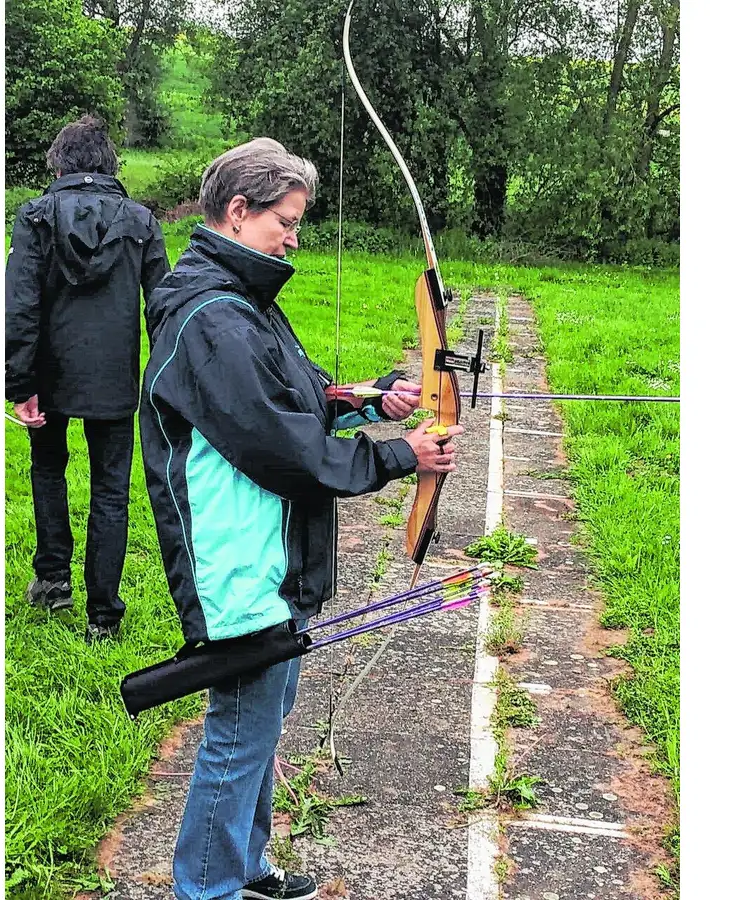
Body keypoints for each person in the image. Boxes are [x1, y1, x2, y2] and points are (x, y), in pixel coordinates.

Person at [139, 137, 463, 900]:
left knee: (262, 717)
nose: (293, 236)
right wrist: (395, 456)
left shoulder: (239, 299)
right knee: (240, 728)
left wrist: (361, 400)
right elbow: (280, 446)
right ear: (238, 210)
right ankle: (208, 887)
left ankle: (243, 868)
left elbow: (285, 397)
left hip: (267, 546)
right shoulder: (213, 314)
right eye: (284, 220)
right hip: (238, 555)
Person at [6, 115, 169, 639]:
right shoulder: (142, 222)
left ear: (60, 161)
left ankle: (53, 580)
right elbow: (162, 307)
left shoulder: (34, 217)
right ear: (108, 163)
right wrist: (166, 382)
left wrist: (20, 384)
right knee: (110, 491)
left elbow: (21, 304)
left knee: (48, 468)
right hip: (113, 380)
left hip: (49, 374)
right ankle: (103, 614)